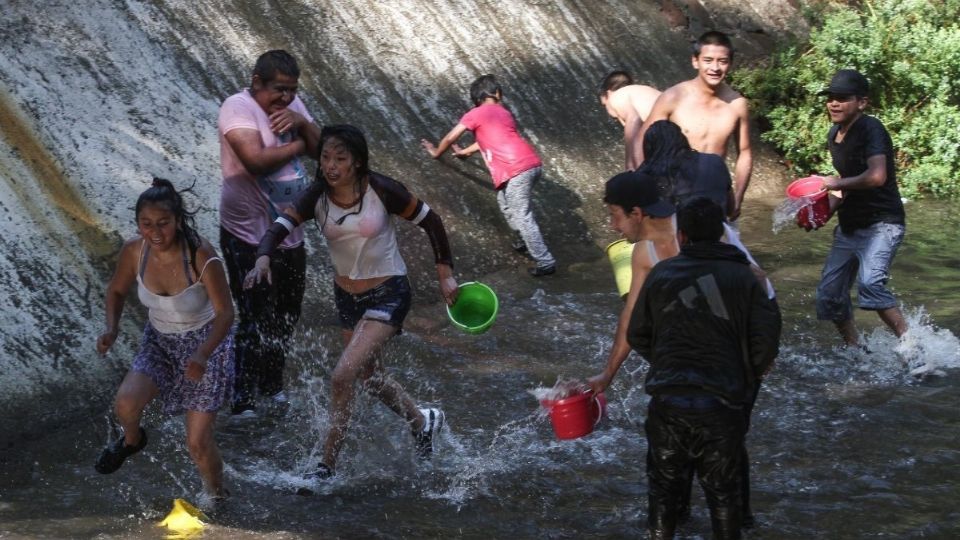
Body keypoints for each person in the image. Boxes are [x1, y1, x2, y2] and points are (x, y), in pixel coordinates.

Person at [245, 125, 458, 478]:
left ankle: (326, 466)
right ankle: (423, 422)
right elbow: (278, 227)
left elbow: (431, 221)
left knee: (342, 376)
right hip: (347, 297)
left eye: (340, 159)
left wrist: (444, 273)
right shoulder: (316, 196)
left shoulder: (382, 190)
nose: (331, 165)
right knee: (371, 378)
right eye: (326, 157)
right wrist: (263, 257)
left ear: (357, 162)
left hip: (389, 291)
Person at [630, 197, 781, 539]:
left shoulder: (662, 273)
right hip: (722, 404)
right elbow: (766, 338)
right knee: (724, 496)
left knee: (663, 495)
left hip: (669, 402)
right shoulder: (743, 276)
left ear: (681, 236)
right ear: (721, 233)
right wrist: (743, 372)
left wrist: (671, 361)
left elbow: (637, 332)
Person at [94, 178, 235, 501]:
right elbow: (116, 290)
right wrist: (111, 329)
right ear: (138, 224)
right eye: (146, 224)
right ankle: (132, 441)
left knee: (197, 443)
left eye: (163, 224)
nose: (155, 233)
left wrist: (202, 354)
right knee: (126, 404)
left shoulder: (201, 256)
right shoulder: (135, 251)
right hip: (159, 341)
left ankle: (216, 496)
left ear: (177, 220)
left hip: (207, 346)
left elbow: (226, 314)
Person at [218, 49, 322, 417]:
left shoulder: (293, 106)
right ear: (257, 82)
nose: (286, 97)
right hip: (246, 231)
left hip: (288, 231)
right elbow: (255, 160)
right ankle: (242, 397)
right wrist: (299, 143)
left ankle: (271, 385)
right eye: (279, 89)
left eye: (292, 90)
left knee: (287, 312)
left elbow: (322, 147)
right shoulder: (238, 107)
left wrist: (300, 121)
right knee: (254, 313)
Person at [421, 74, 557, 276]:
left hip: (515, 170)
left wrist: (436, 152)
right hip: (529, 165)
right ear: (498, 93)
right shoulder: (504, 113)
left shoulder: (475, 114)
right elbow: (491, 140)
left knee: (522, 215)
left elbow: (451, 136)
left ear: (475, 99)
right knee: (505, 203)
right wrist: (465, 152)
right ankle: (524, 240)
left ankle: (546, 262)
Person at [813, 69, 907, 348]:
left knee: (870, 286)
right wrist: (823, 213)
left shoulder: (871, 128)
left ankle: (913, 347)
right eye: (830, 98)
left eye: (842, 98)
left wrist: (833, 182)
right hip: (850, 225)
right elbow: (846, 187)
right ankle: (856, 349)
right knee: (829, 295)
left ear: (862, 102)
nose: (834, 103)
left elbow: (877, 176)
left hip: (883, 223)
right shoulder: (834, 135)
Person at [639, 31, 752, 220]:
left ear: (730, 64)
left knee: (719, 247)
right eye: (708, 60)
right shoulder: (674, 97)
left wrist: (739, 197)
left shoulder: (737, 104)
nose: (715, 67)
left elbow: (745, 152)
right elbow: (644, 141)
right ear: (695, 61)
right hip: (675, 191)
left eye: (722, 61)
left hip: (714, 192)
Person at [588, 170, 679, 399]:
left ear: (636, 213)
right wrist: (607, 375)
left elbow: (754, 278)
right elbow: (631, 314)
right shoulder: (643, 253)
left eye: (615, 215)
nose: (613, 226)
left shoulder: (693, 229)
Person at [597, 70, 661, 170]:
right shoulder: (646, 92)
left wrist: (633, 170)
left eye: (605, 105)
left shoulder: (617, 97)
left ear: (607, 95)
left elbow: (634, 120)